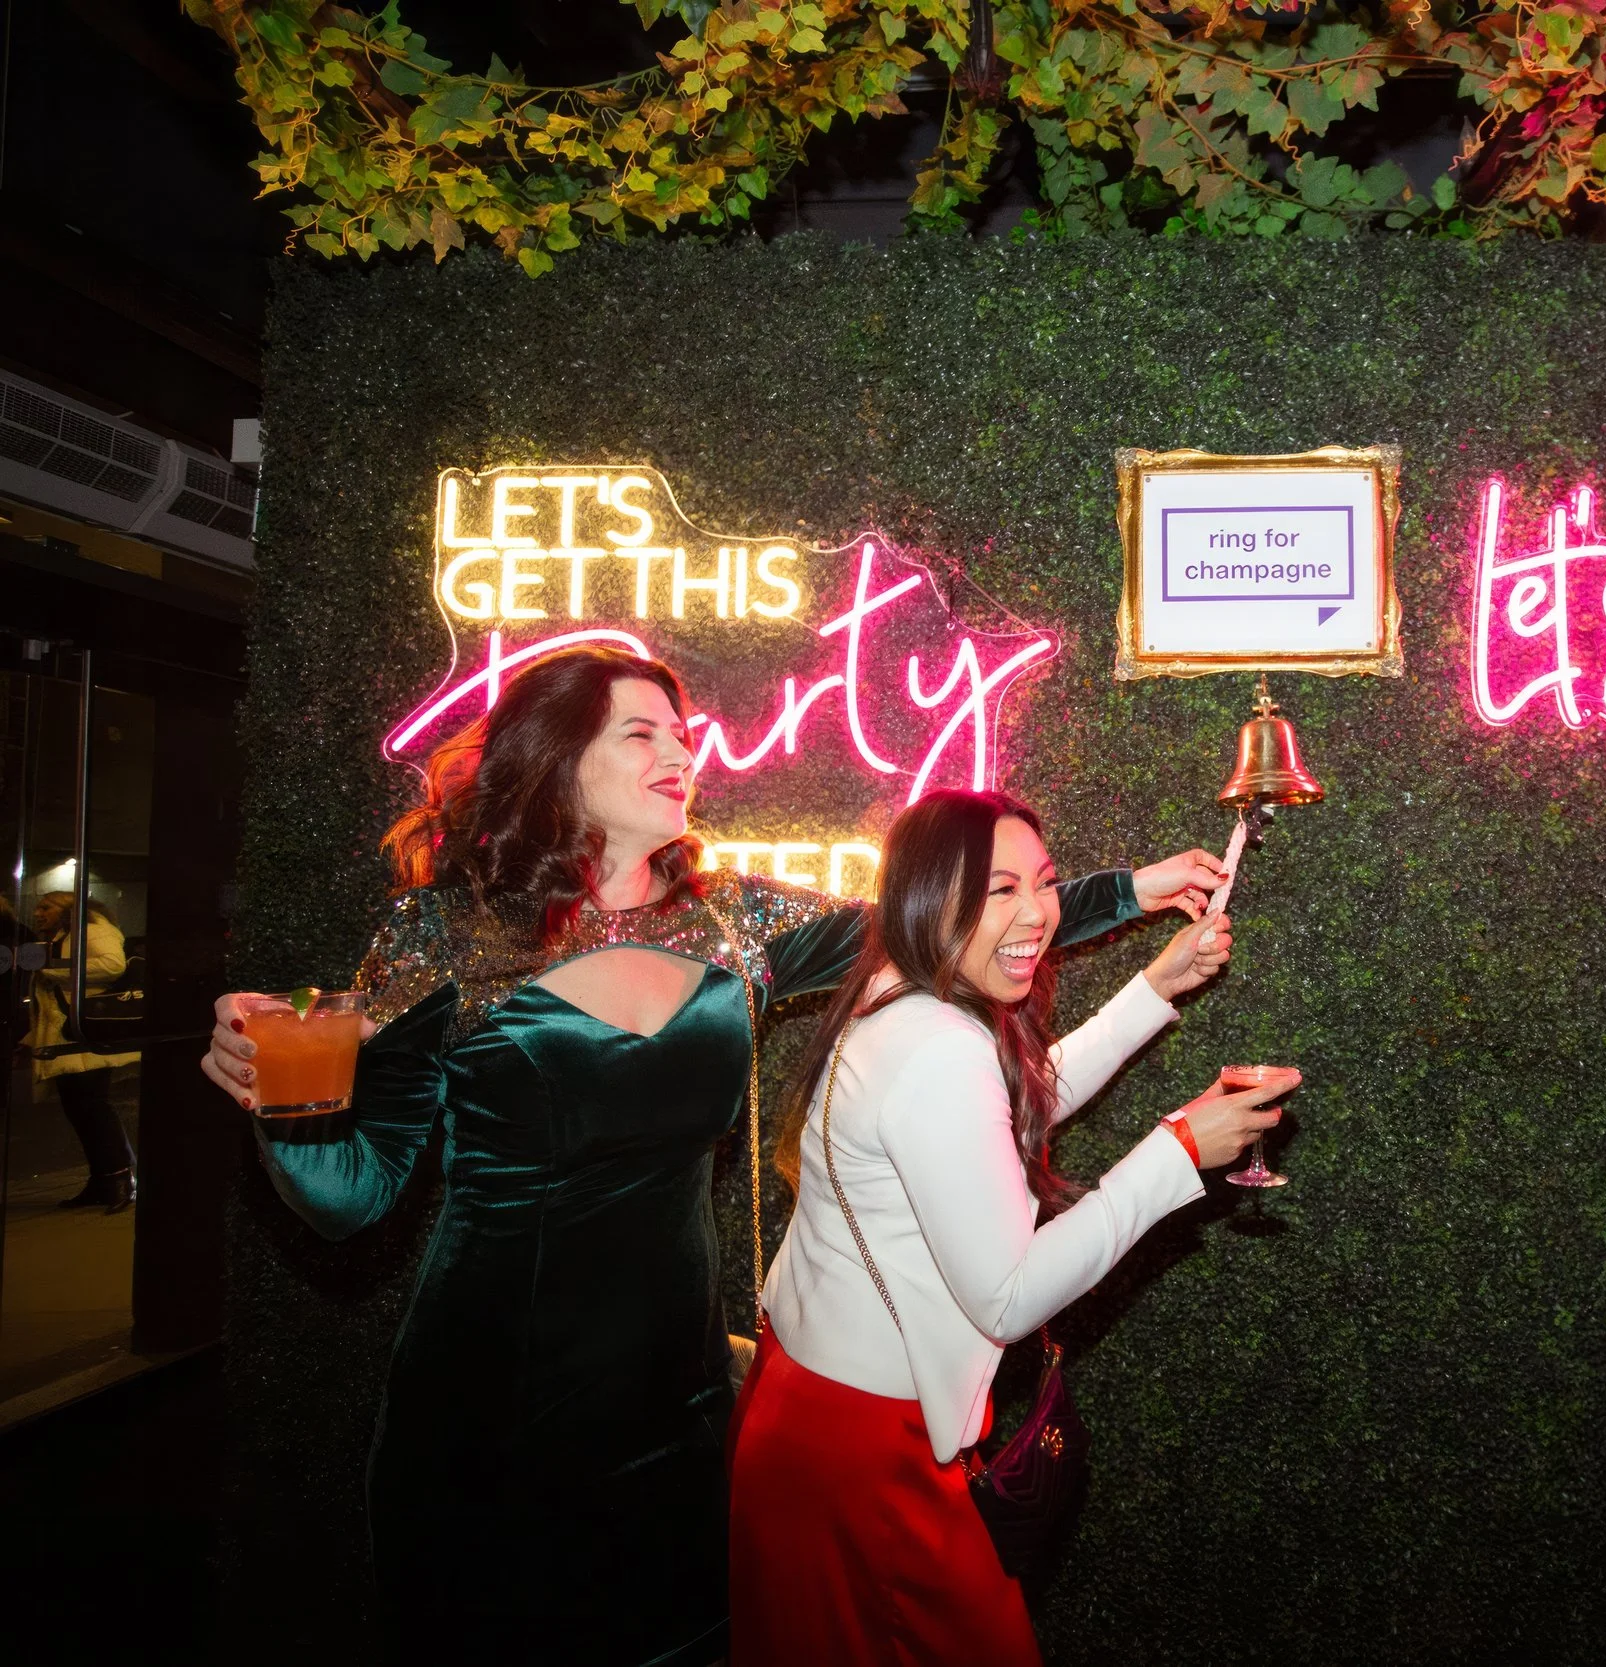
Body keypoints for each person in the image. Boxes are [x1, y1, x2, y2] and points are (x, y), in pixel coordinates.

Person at [196, 646, 1232, 1667]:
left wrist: (1129, 891)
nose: (679, 752)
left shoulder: (731, 920)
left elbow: (935, 926)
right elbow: (351, 1196)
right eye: (640, 732)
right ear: (555, 760)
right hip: (490, 1394)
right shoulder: (447, 930)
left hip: (677, 1389)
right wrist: (280, 1091)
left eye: (683, 735)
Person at [728, 788, 1291, 1666]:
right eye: (1000, 890)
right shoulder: (938, 1045)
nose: (1037, 912)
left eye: (1046, 881)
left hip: (804, 1412)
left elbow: (997, 1115)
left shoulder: (895, 991)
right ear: (927, 899)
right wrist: (1177, 1153)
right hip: (871, 1454)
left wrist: (1151, 989)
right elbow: (1008, 1295)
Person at [29, 892, 140, 1212]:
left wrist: (53, 971)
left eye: (46, 906)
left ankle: (118, 1177)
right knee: (82, 1109)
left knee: (92, 1107)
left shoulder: (91, 927)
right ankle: (103, 1178)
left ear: (68, 906)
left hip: (86, 1032)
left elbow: (112, 964)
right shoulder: (66, 934)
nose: (38, 913)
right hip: (70, 1036)